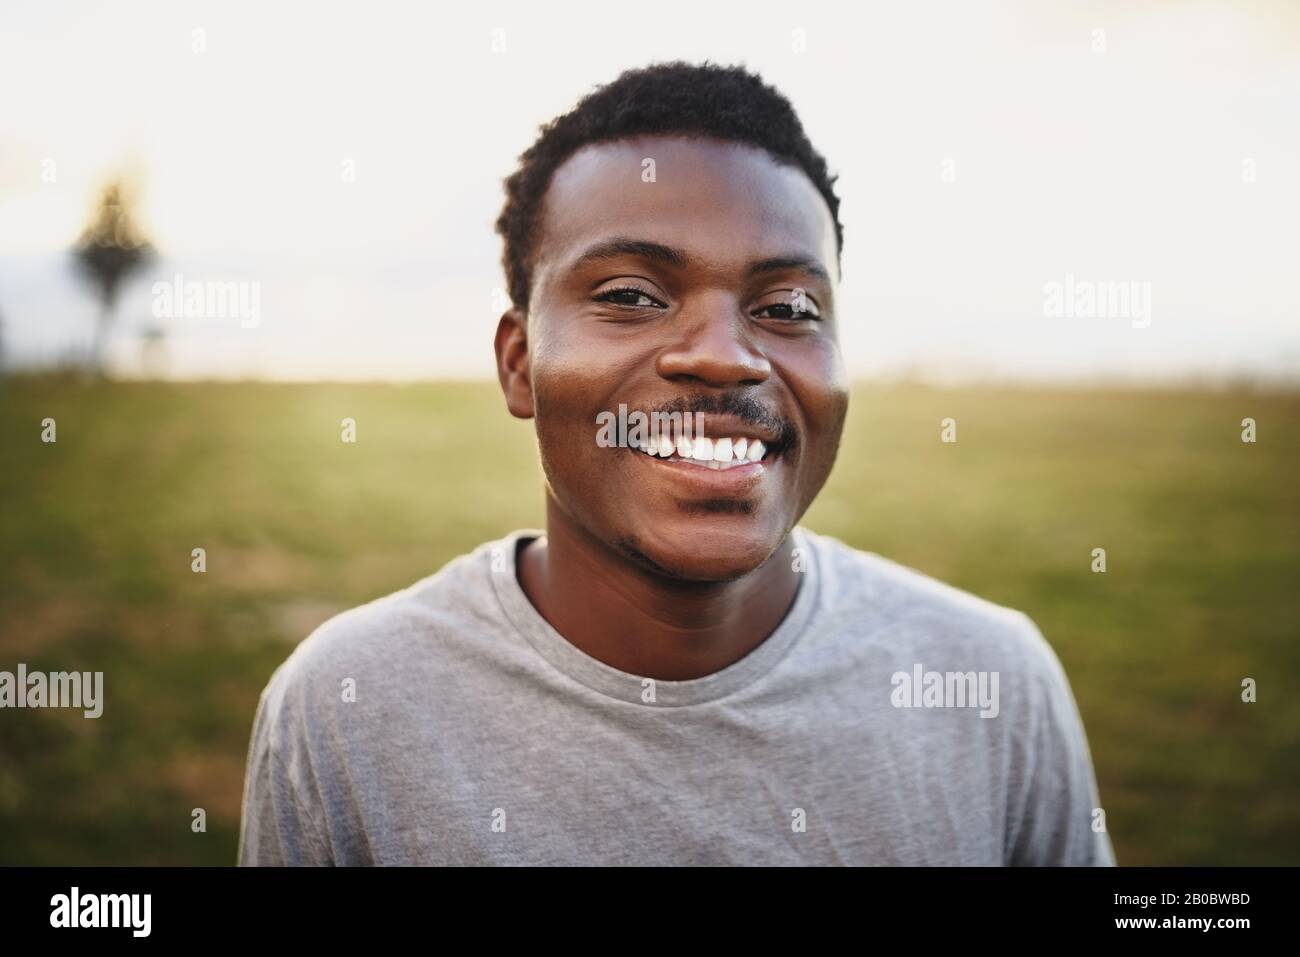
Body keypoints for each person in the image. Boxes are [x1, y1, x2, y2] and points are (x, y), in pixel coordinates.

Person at [238, 61, 1115, 866]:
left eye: (788, 306)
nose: (725, 355)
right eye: (630, 296)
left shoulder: (992, 684)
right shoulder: (350, 708)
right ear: (518, 364)